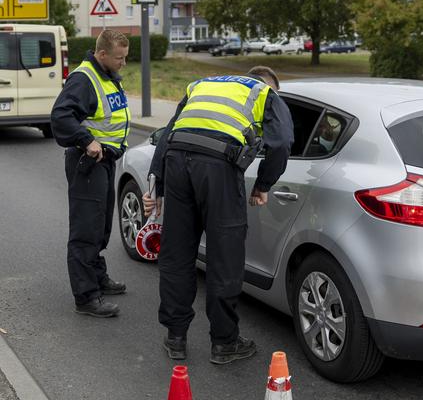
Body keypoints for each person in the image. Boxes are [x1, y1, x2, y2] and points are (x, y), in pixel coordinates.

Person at [142, 66, 293, 364]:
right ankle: (224, 342)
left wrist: (154, 184)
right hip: (218, 166)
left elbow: (167, 135)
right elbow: (283, 142)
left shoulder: (200, 85)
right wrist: (263, 184)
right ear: (270, 86)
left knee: (177, 254)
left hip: (176, 162)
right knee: (225, 257)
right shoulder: (264, 93)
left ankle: (175, 338)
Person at [50, 29, 131, 318]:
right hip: (88, 161)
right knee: (86, 230)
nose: (123, 63)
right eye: (119, 58)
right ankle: (86, 297)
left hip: (104, 161)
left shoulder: (106, 75)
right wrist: (86, 140)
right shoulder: (84, 78)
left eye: (125, 57)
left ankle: (97, 277)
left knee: (100, 226)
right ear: (102, 54)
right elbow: (60, 116)